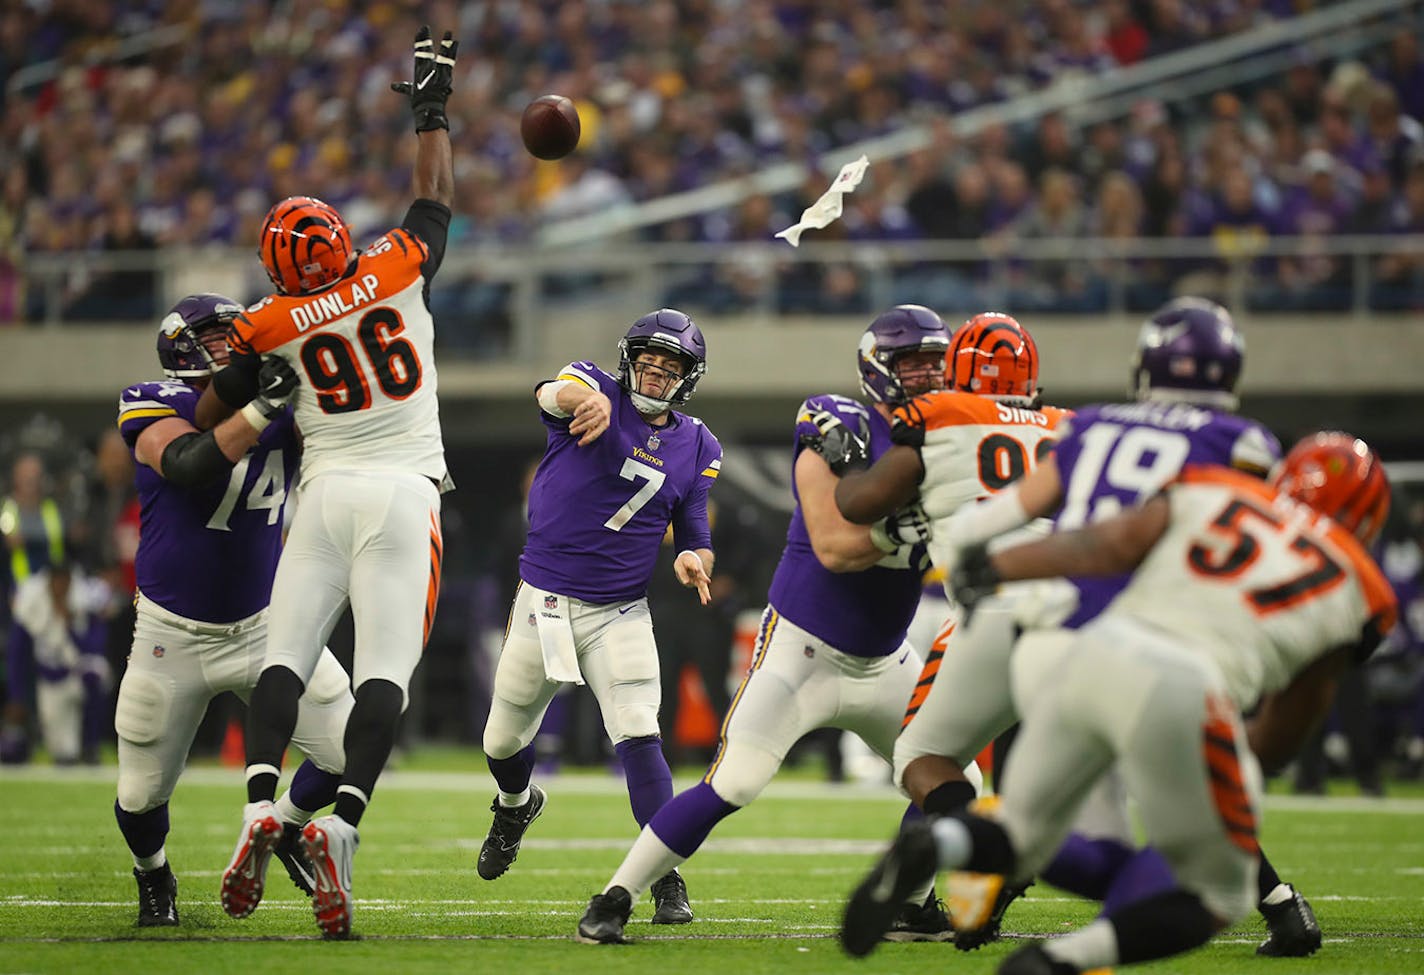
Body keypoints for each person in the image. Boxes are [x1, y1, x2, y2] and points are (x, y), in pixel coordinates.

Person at [846, 297, 1318, 957]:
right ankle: (1276, 903)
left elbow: (895, 509)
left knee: (928, 760)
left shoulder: (988, 418)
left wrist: (939, 543)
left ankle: (966, 848)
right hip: (1100, 617)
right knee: (1163, 768)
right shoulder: (1078, 424)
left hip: (996, 613)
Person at [841, 432, 1395, 975]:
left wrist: (1001, 566)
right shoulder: (1361, 585)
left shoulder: (1211, 490)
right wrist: (1217, 754)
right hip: (1183, 682)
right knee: (1217, 887)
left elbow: (1105, 544)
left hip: (1086, 647)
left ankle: (941, 838)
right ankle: (1061, 961)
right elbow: (1277, 741)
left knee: (1022, 837)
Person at [575, 304, 981, 945]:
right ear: (880, 370)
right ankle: (615, 896)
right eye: (913, 364)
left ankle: (911, 900)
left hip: (884, 660)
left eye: (937, 363)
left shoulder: (954, 446)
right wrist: (938, 524)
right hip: (803, 652)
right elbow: (835, 546)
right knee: (733, 782)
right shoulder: (836, 421)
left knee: (961, 783)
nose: (929, 377)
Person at [205, 26, 460, 939]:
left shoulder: (266, 325)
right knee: (384, 670)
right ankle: (342, 825)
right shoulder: (392, 269)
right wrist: (431, 110)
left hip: (323, 492)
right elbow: (432, 197)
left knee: (287, 656)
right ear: (344, 242)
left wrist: (264, 389)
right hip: (403, 490)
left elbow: (207, 420)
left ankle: (259, 806)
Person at [113, 293, 353, 927]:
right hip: (173, 631)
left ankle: (287, 830)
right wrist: (261, 405)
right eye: (216, 337)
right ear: (181, 347)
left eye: (235, 335)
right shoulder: (153, 400)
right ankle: (153, 875)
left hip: (267, 623)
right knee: (139, 796)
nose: (232, 345)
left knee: (353, 745)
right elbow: (187, 463)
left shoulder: (284, 400)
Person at [479, 307, 719, 928]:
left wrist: (695, 555)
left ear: (687, 379)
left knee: (639, 732)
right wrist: (581, 397)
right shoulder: (593, 387)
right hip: (546, 602)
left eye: (672, 369)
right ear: (628, 361)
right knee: (502, 741)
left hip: (620, 611)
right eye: (649, 362)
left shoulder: (698, 443)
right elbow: (550, 390)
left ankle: (663, 873)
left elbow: (692, 522)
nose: (657, 375)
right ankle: (515, 805)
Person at [5, 558, 110, 764]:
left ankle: (91, 744)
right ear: (49, 582)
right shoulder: (32, 602)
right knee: (63, 750)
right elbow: (18, 652)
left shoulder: (83, 600)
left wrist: (70, 624)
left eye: (65, 581)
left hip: (77, 672)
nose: (61, 586)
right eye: (57, 581)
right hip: (49, 676)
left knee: (96, 673)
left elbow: (96, 647)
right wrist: (16, 694)